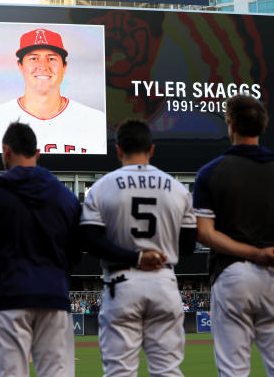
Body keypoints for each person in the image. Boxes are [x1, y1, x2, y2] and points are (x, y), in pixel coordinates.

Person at [0, 121, 163, 377]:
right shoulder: (64, 196)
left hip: (8, 297)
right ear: (37, 154)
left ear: (6, 151)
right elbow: (75, 254)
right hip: (53, 296)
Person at [80, 119, 197, 376]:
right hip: (164, 279)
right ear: (151, 149)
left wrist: (136, 256)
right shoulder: (178, 189)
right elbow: (188, 245)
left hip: (122, 282)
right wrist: (157, 253)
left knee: (119, 371)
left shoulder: (100, 188)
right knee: (167, 370)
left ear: (118, 149)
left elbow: (90, 240)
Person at [192, 95, 274, 377]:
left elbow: (204, 233)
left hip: (232, 273)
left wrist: (252, 251)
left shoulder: (210, 172)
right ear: (263, 125)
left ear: (231, 124)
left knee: (233, 370)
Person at [0, 27, 106, 154]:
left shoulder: (95, 121)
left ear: (64, 66)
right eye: (34, 58)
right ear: (20, 66)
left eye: (51, 58)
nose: (43, 66)